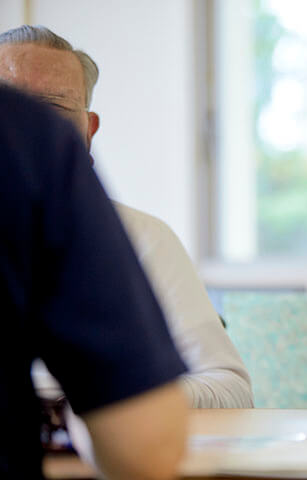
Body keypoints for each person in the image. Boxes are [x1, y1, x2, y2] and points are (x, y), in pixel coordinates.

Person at [0, 24, 253, 408]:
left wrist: (107, 397)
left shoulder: (143, 239)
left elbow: (231, 391)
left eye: (51, 114)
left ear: (87, 132)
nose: (26, 137)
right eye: (10, 109)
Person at [0, 85, 189, 479]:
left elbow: (227, 381)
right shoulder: (28, 138)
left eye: (52, 103)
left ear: (89, 128)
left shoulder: (150, 238)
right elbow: (145, 448)